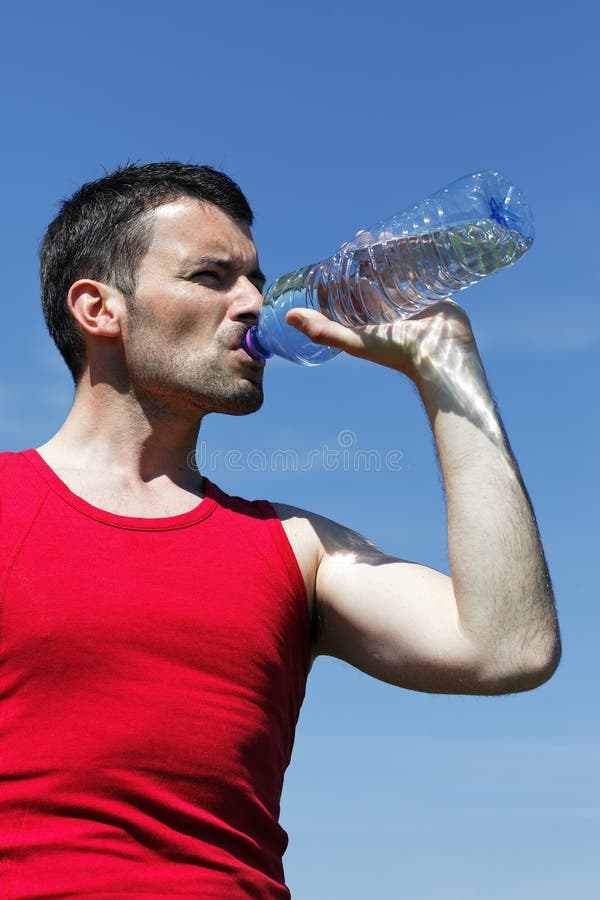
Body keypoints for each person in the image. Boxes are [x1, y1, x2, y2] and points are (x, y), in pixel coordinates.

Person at [0, 162, 560, 898]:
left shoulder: (298, 550)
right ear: (99, 308)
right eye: (211, 276)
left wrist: (447, 367)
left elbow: (508, 648)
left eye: (257, 280)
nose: (254, 303)